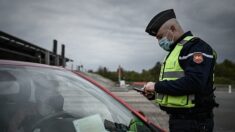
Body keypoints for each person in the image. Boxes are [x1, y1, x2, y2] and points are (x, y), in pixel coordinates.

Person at [144, 9, 218, 132]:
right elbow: (178, 87)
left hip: (194, 122)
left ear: (172, 29)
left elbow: (195, 82)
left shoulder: (195, 47)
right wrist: (155, 94)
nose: (159, 41)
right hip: (179, 121)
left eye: (160, 36)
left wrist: (156, 86)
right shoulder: (176, 50)